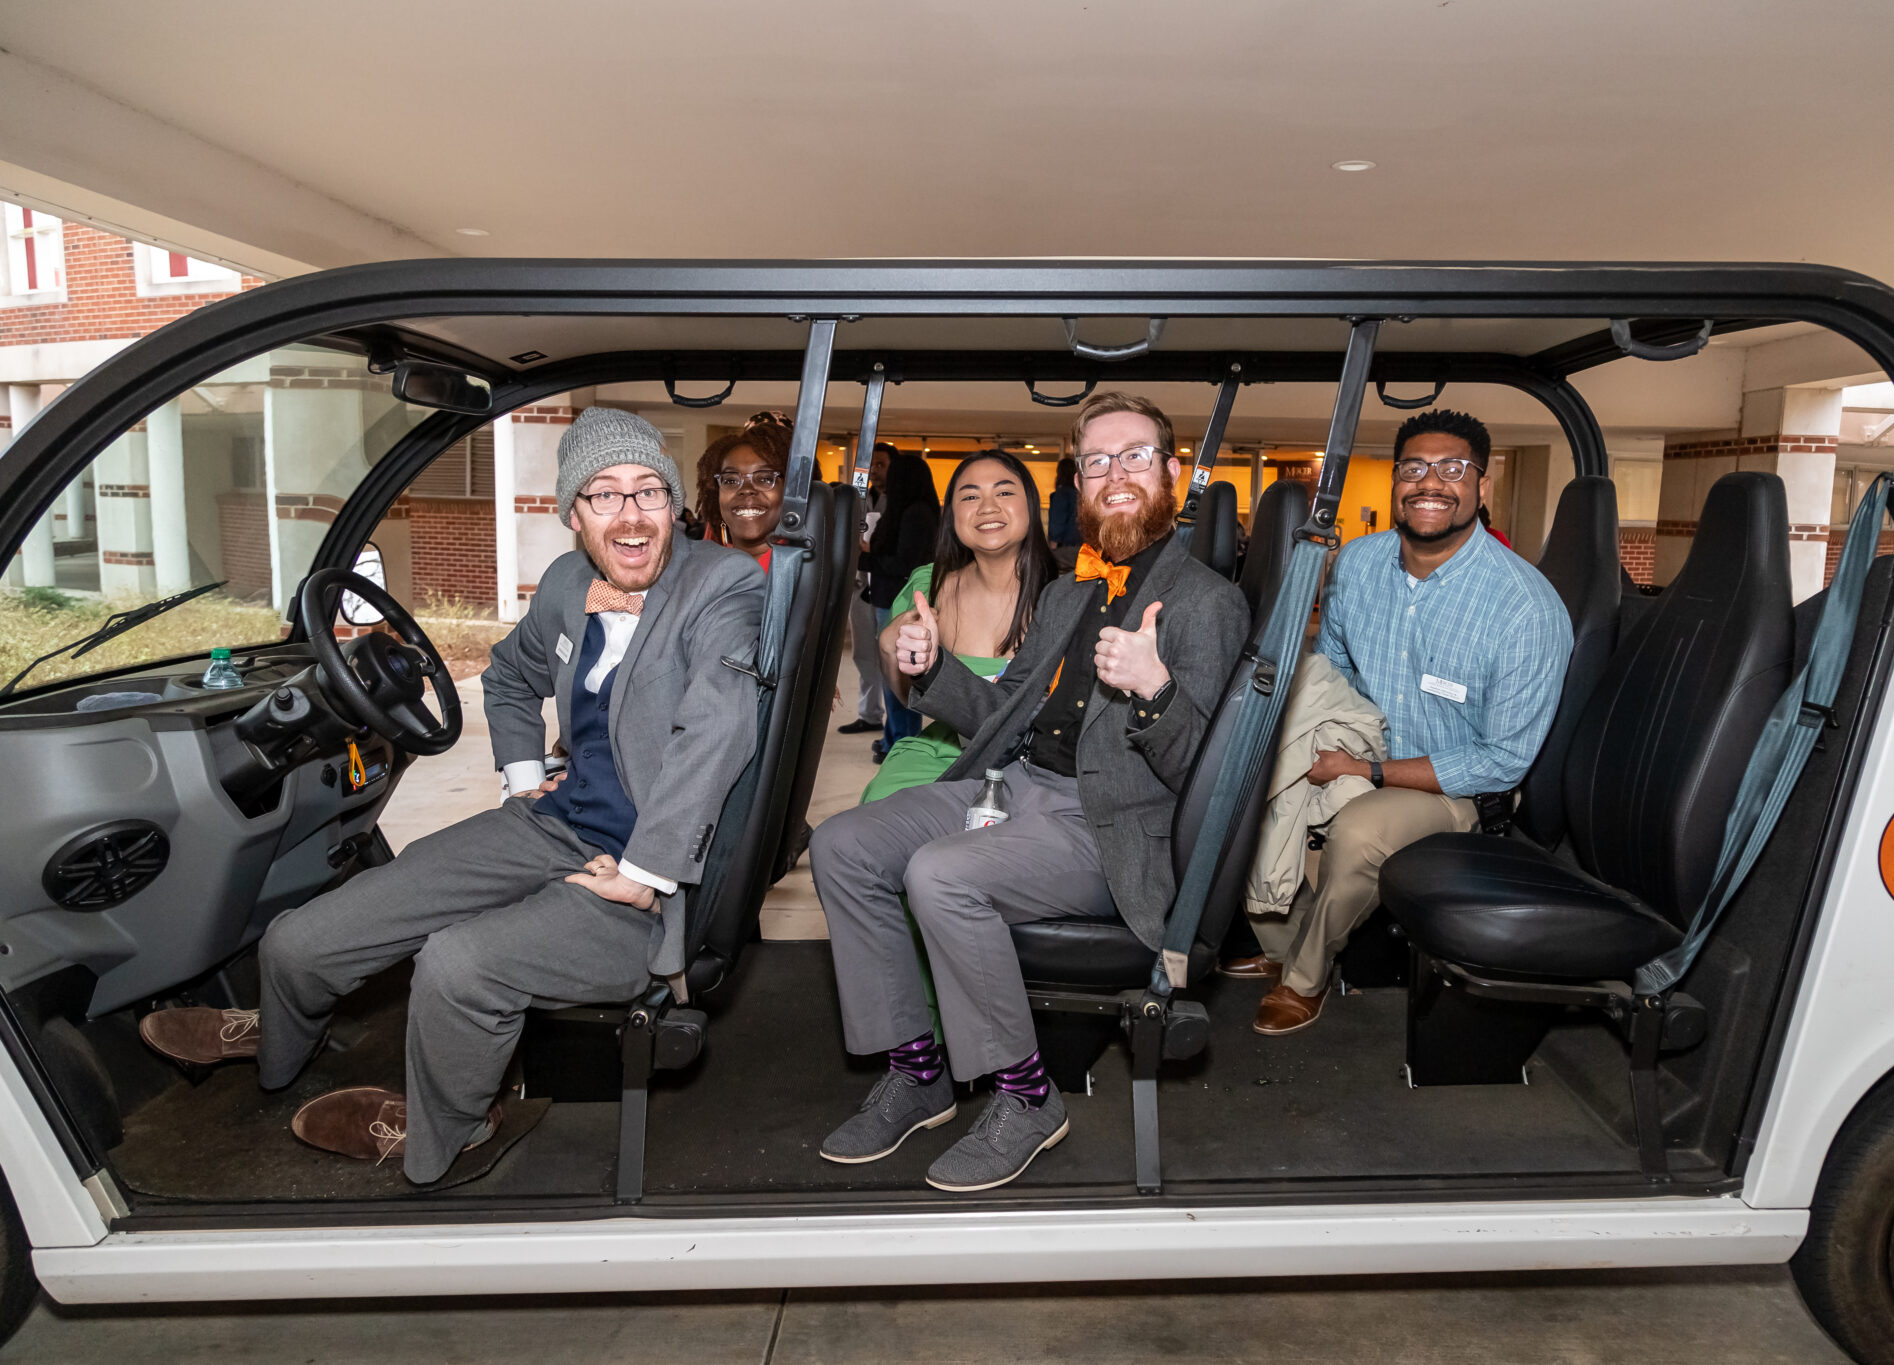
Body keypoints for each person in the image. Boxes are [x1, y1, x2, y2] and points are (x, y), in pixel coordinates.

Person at [136, 408, 766, 1184]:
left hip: (640, 874)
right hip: (551, 823)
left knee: (458, 964)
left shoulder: (721, 584)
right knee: (302, 940)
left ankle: (452, 1129)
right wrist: (526, 780)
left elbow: (719, 724)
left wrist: (647, 870)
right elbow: (506, 677)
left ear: (675, 504)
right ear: (573, 513)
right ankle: (276, 1042)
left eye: (649, 492)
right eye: (604, 495)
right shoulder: (571, 582)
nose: (631, 515)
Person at [808, 391, 1250, 1192]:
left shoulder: (1209, 603)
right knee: (842, 843)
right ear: (1078, 481)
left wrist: (1154, 690)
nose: (1116, 474)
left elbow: (1210, 783)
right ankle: (920, 1071)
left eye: (1136, 456)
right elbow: (1003, 711)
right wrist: (930, 668)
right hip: (1013, 785)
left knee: (940, 873)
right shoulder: (1068, 594)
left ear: (1173, 473)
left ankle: (1026, 1095)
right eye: (1097, 461)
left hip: (1108, 825)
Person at [1236, 408, 1572, 1036]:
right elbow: (1331, 664)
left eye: (1452, 469)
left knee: (1360, 832)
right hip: (1360, 742)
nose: (1431, 483)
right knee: (1254, 789)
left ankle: (1305, 978)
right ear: (1395, 481)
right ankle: (1280, 941)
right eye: (1414, 468)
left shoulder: (1524, 607)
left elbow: (1502, 760)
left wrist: (1365, 769)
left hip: (1460, 788)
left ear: (1482, 485)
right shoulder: (1359, 564)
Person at [867, 450, 1058, 802]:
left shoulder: (1067, 593)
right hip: (942, 755)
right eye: (970, 496)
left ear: (1030, 504)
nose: (987, 507)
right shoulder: (930, 587)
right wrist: (890, 648)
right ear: (952, 515)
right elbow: (907, 699)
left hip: (1036, 766)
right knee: (873, 820)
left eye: (1003, 492)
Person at [861, 450, 941, 753]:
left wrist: (865, 558)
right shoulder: (910, 510)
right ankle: (893, 738)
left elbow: (904, 565)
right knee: (891, 677)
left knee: (898, 677)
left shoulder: (915, 514)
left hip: (899, 603)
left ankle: (902, 744)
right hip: (888, 598)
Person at [840, 443, 896, 737]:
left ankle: (895, 722)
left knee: (892, 657)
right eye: (872, 465)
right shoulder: (860, 498)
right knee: (864, 653)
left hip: (890, 586)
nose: (875, 470)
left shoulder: (901, 501)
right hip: (860, 583)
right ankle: (869, 713)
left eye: (882, 465)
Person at [696, 410, 794, 569]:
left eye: (765, 479)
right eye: (730, 480)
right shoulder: (702, 566)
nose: (746, 489)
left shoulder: (805, 570)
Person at [1046, 455, 1082, 568]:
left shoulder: (1061, 494)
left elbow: (1057, 522)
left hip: (1065, 548)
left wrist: (1052, 546)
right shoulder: (1080, 495)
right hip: (1082, 547)